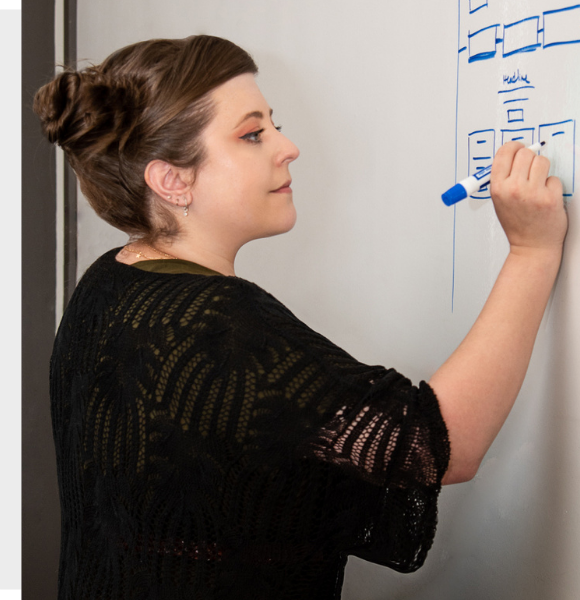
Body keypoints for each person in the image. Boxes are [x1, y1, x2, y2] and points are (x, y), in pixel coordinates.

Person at [34, 35, 567, 600]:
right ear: (173, 180)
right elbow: (437, 446)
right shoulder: (218, 323)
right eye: (252, 134)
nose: (287, 147)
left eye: (274, 124)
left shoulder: (109, 280)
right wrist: (533, 254)